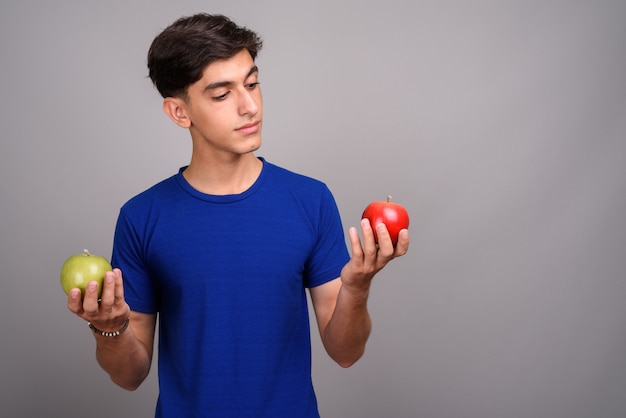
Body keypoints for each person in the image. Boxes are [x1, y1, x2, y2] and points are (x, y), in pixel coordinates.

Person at [67, 13, 409, 417]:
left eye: (252, 83)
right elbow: (129, 375)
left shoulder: (310, 200)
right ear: (179, 112)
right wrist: (110, 327)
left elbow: (346, 353)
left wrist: (357, 288)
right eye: (222, 94)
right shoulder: (142, 217)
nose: (250, 106)